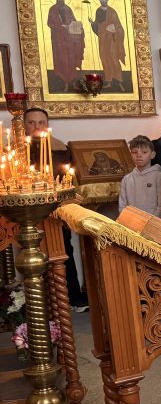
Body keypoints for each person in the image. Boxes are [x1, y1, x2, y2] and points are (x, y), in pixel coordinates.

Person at [26, 108, 88, 311]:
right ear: (24, 125)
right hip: (27, 213)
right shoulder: (17, 150)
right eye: (31, 122)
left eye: (41, 122)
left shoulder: (60, 149)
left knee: (63, 252)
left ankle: (73, 298)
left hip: (56, 211)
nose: (36, 127)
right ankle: (40, 303)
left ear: (47, 125)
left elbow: (69, 181)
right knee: (32, 257)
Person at [46, 0, 85, 91]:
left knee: (71, 59)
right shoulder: (52, 9)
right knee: (63, 60)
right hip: (59, 40)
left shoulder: (68, 9)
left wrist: (79, 27)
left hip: (70, 39)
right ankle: (65, 82)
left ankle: (72, 81)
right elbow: (50, 23)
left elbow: (73, 21)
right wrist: (61, 26)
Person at [119, 136, 161, 218]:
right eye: (134, 152)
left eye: (144, 152)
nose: (139, 155)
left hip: (153, 222)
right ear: (130, 154)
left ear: (152, 155)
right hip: (131, 222)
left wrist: (151, 221)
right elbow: (122, 206)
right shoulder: (127, 179)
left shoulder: (159, 177)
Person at [89, 0, 126, 90]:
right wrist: (93, 24)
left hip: (112, 40)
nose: (103, 0)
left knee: (114, 59)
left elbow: (118, 26)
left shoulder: (112, 12)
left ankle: (119, 81)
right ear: (99, 0)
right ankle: (109, 80)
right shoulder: (98, 11)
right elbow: (98, 25)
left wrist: (114, 30)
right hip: (103, 39)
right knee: (105, 59)